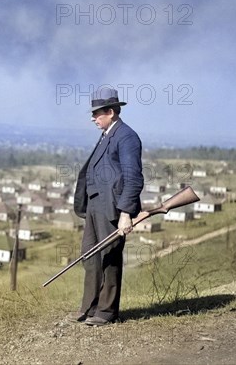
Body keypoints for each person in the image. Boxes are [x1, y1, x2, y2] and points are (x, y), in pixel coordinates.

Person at [70, 87, 144, 326]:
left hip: (111, 208)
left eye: (97, 113)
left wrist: (125, 214)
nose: (93, 118)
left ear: (110, 112)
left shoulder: (126, 137)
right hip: (95, 205)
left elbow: (134, 178)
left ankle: (107, 312)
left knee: (109, 258)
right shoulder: (108, 134)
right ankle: (90, 308)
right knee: (90, 256)